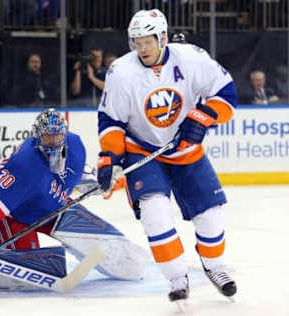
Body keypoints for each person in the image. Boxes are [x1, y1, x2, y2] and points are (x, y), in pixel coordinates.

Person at [96, 9, 237, 304]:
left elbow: (226, 93)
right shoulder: (121, 72)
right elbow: (111, 122)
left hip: (186, 151)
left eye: (148, 41)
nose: (142, 48)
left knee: (211, 217)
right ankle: (176, 278)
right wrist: (109, 157)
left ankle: (214, 266)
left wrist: (202, 117)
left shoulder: (191, 57)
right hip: (143, 152)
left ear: (162, 37)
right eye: (137, 42)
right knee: (155, 213)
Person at [0, 108, 146, 288]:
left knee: (105, 244)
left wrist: (99, 182)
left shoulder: (76, 145)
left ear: (65, 134)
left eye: (57, 135)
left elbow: (77, 175)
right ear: (37, 136)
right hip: (15, 215)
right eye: (46, 136)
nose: (52, 141)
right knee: (33, 272)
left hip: (52, 206)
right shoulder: (24, 164)